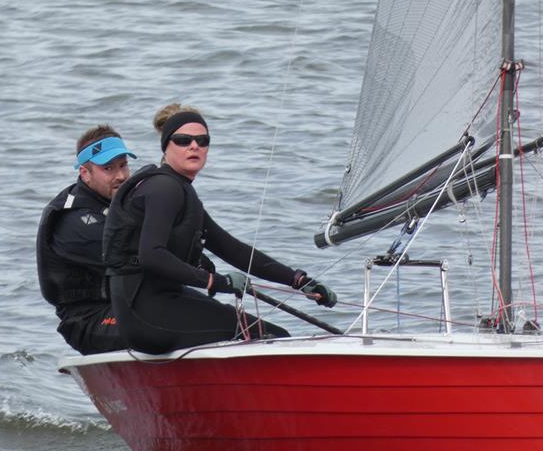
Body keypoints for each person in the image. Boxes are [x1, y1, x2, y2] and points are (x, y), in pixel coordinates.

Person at [103, 103, 337, 354]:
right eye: (183, 140)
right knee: (273, 338)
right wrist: (216, 281)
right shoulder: (165, 189)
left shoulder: (179, 190)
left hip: (152, 308)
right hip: (147, 315)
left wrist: (297, 280)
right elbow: (152, 255)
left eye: (202, 141)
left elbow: (231, 249)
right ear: (166, 146)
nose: (194, 146)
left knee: (258, 330)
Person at [36, 124, 136, 355]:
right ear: (85, 173)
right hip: (87, 320)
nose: (121, 176)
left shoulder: (120, 201)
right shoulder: (72, 217)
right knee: (166, 323)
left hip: (126, 306)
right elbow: (134, 258)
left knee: (225, 317)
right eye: (108, 168)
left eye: (123, 165)